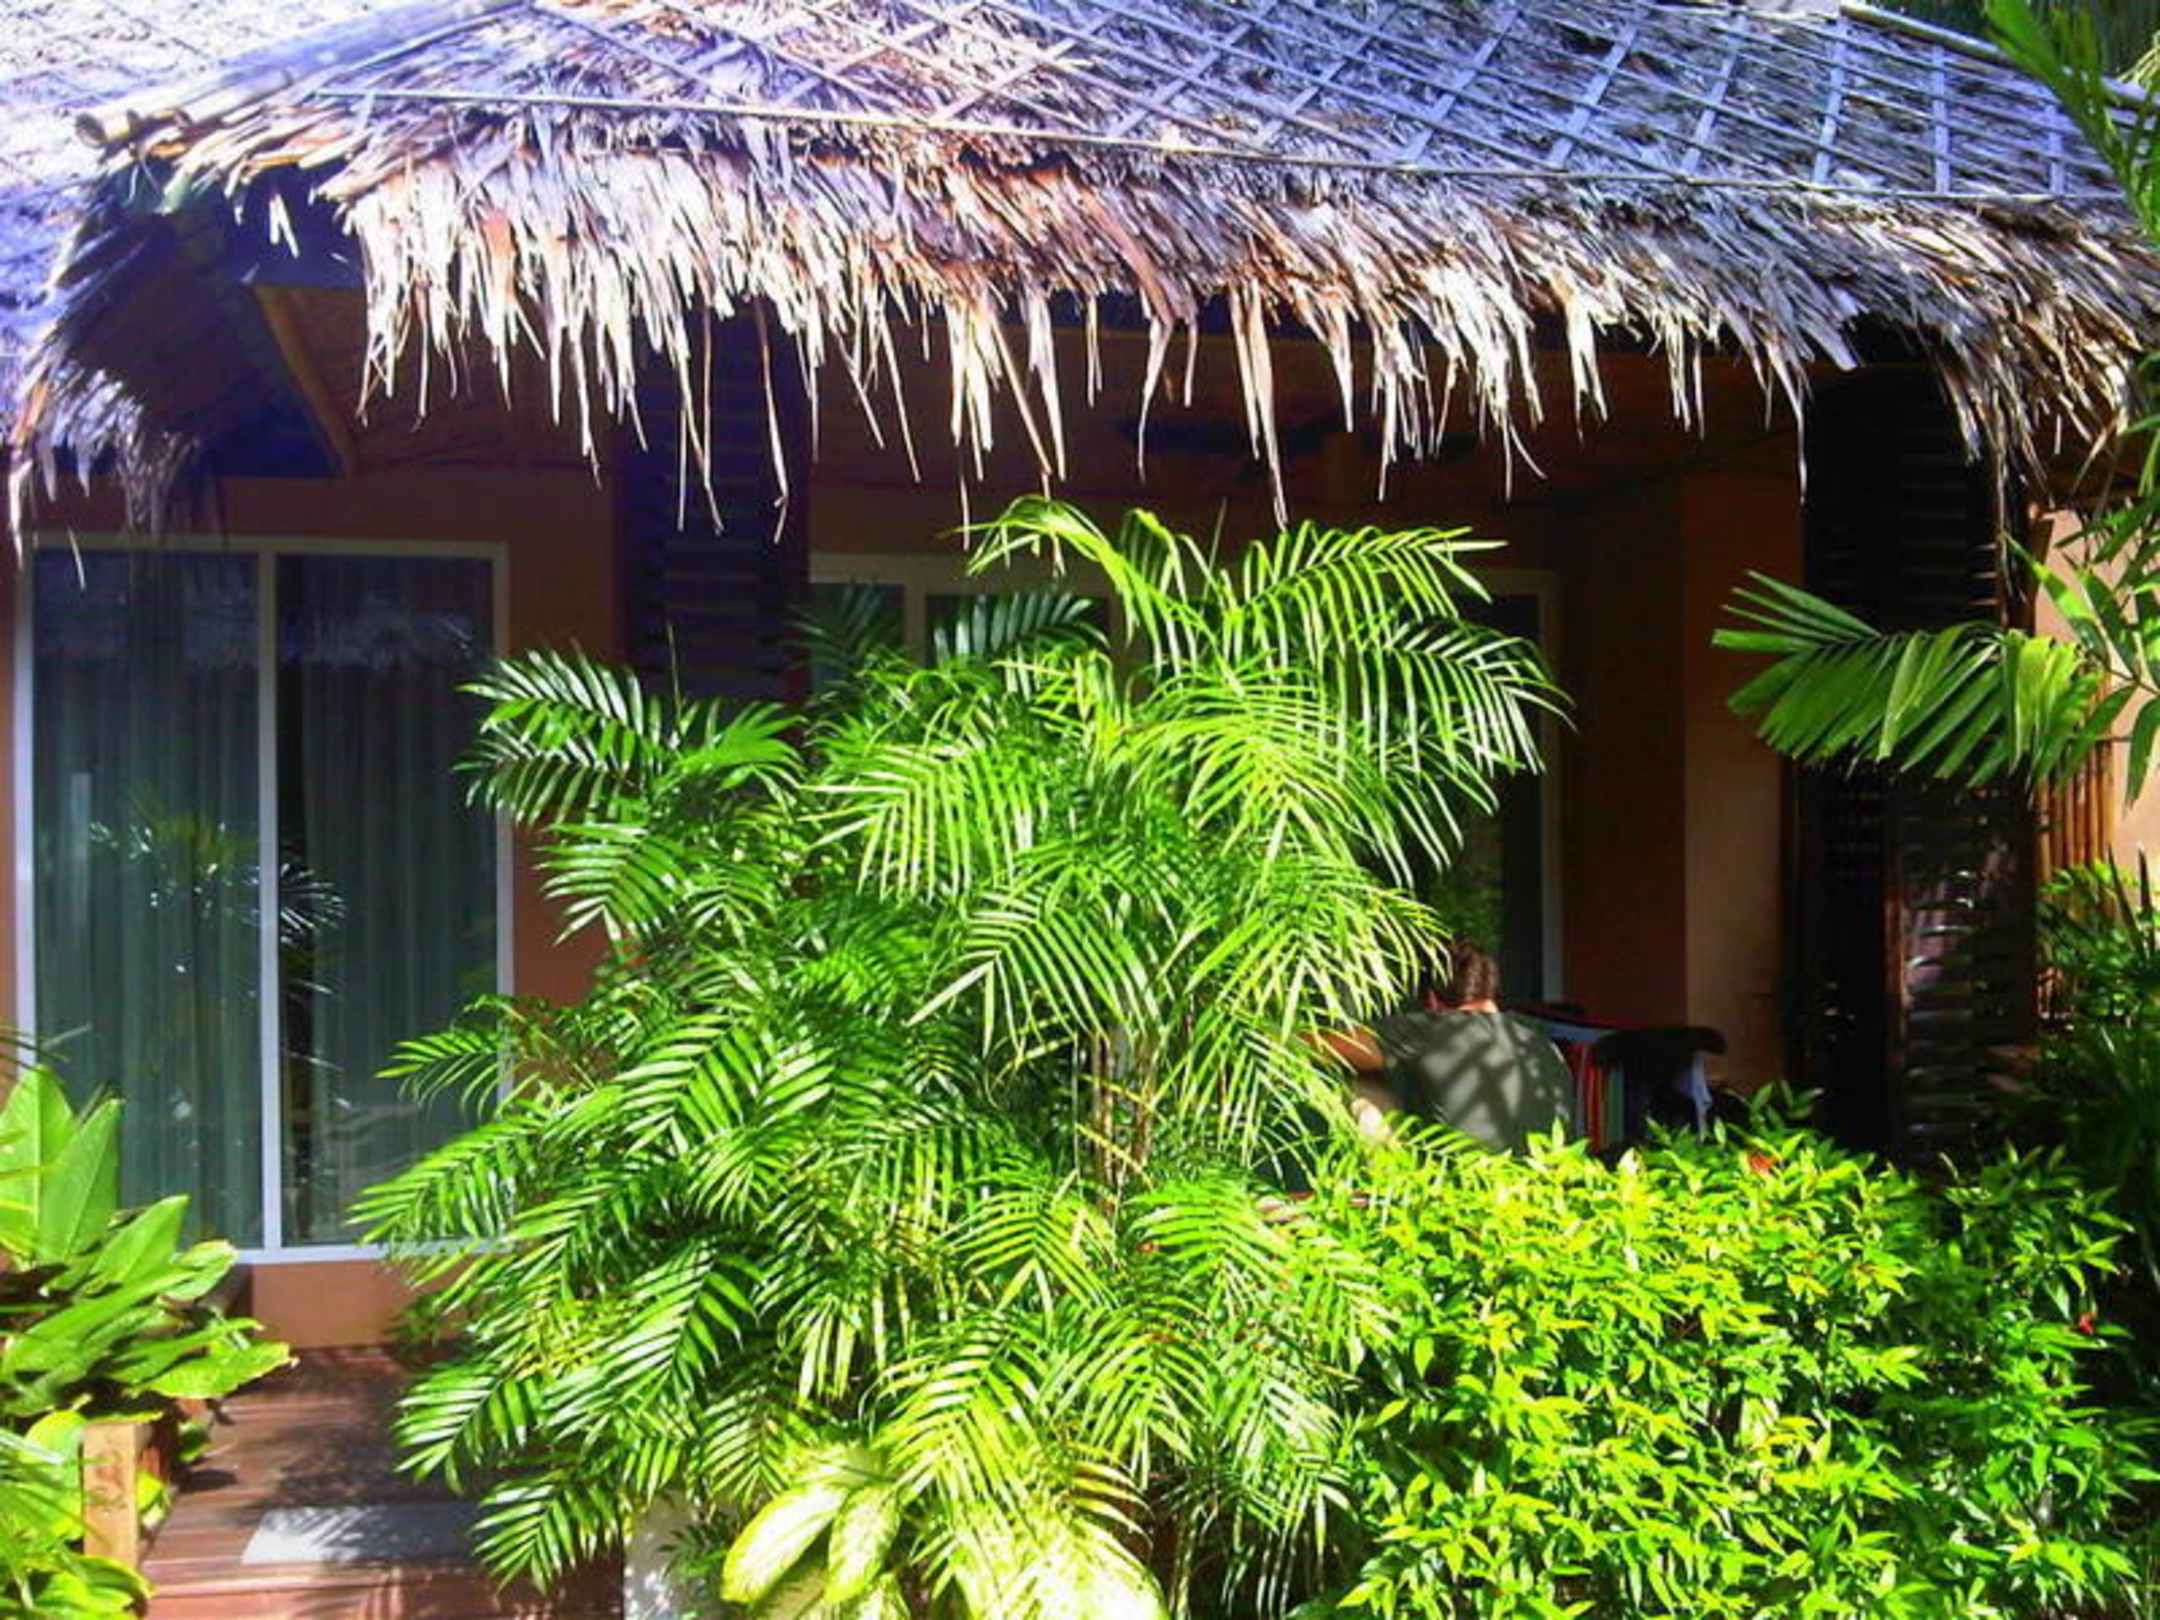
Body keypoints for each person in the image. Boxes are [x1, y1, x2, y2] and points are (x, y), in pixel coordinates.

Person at [1322, 943, 1576, 1153]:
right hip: (1547, 1185)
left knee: (1362, 1080)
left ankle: (1379, 1187)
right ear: (1491, 991)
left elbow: (1321, 1047)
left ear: (1432, 1000)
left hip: (1460, 1188)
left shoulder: (1431, 1028)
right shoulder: (1542, 1044)